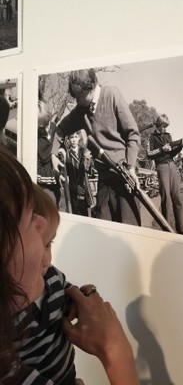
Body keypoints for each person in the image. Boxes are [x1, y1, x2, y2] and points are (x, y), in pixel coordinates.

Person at [0, 146, 139, 385]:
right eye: (28, 219)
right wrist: (118, 356)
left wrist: (82, 296)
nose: (41, 223)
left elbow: (67, 291)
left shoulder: (51, 278)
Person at [51, 68, 141, 226]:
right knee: (103, 228)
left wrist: (132, 167)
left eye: (79, 96)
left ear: (89, 87)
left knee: (130, 228)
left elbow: (133, 134)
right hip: (103, 178)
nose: (76, 100)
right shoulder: (81, 110)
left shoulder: (112, 94)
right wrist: (53, 154)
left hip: (124, 174)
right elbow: (61, 129)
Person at [147, 113, 183, 234]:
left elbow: (172, 153)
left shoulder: (168, 136)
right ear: (158, 124)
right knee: (166, 199)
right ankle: (166, 229)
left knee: (177, 198)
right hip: (161, 167)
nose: (165, 129)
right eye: (163, 126)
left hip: (172, 165)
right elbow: (149, 154)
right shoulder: (151, 137)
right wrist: (161, 149)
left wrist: (180, 146)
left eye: (166, 126)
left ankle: (182, 228)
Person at [64, 130, 96, 216]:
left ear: (79, 138)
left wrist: (88, 162)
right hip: (73, 190)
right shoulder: (66, 154)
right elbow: (66, 174)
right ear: (68, 139)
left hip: (84, 188)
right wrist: (75, 188)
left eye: (76, 137)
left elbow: (90, 171)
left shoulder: (84, 151)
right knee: (75, 214)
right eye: (71, 137)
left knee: (86, 214)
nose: (74, 140)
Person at [37, 100, 61, 208]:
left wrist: (62, 150)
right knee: (50, 203)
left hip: (59, 177)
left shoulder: (54, 127)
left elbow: (62, 141)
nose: (47, 129)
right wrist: (54, 175)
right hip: (45, 182)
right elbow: (37, 172)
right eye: (42, 127)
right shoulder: (34, 140)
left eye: (47, 124)